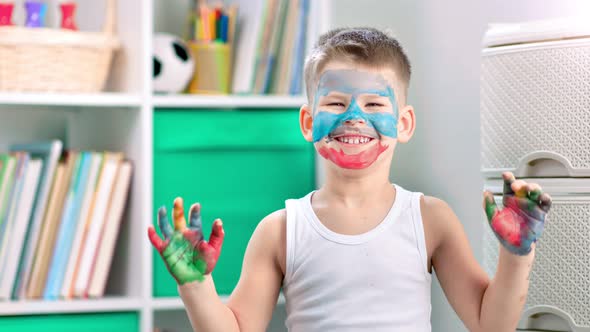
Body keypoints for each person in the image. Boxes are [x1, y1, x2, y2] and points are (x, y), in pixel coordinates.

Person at [147, 27, 552, 332]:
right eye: (336, 102)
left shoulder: (430, 219)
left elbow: (490, 323)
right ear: (308, 122)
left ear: (404, 123)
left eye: (374, 103)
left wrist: (516, 257)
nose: (354, 116)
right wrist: (197, 284)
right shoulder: (280, 230)